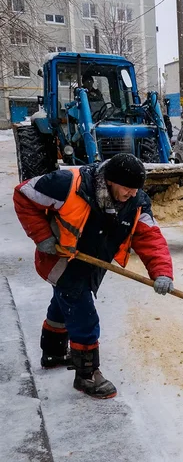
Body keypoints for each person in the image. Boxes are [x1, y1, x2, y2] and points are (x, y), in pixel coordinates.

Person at [14, 154, 174, 399]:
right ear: (110, 181)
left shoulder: (137, 201)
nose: (132, 194)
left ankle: (53, 353)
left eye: (136, 189)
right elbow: (24, 193)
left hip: (92, 262)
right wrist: (42, 236)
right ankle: (87, 375)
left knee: (64, 304)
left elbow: (149, 237)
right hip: (62, 259)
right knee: (83, 316)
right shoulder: (68, 183)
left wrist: (162, 272)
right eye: (127, 188)